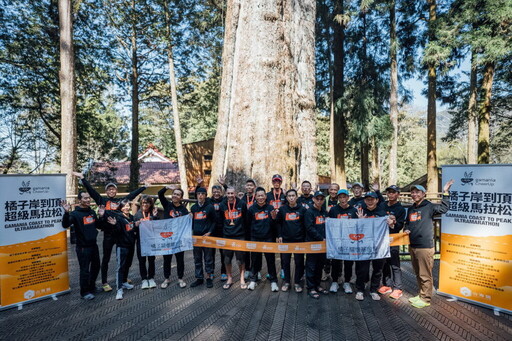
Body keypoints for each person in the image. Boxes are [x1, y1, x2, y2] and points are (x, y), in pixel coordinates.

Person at [72, 172, 149, 292]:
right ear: (106, 191)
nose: (111, 191)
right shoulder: (102, 200)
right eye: (109, 189)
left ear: (116, 191)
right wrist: (83, 179)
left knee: (125, 257)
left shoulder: (120, 201)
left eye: (113, 189)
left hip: (120, 234)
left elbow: (132, 195)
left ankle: (123, 278)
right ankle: (104, 281)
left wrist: (144, 187)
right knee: (106, 259)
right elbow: (91, 191)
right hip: (108, 234)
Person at [405, 181, 453, 308]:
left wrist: (445, 192)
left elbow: (443, 208)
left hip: (425, 246)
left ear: (423, 194)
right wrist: (406, 229)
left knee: (425, 274)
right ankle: (421, 294)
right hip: (413, 245)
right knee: (417, 272)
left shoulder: (429, 206)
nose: (414, 194)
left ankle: (426, 298)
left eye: (417, 192)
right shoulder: (411, 208)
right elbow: (407, 223)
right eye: (413, 192)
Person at [354, 192, 395, 301]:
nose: (370, 201)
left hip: (379, 246)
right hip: (364, 246)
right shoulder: (360, 212)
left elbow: (391, 227)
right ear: (364, 201)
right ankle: (360, 290)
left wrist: (391, 223)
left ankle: (373, 290)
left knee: (378, 269)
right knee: (362, 269)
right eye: (367, 199)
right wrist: (359, 222)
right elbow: (354, 230)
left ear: (377, 200)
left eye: (372, 199)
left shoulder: (382, 213)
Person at [61, 192, 101, 300]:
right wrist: (66, 212)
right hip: (83, 247)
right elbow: (65, 225)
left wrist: (101, 216)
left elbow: (98, 225)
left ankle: (92, 287)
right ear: (80, 200)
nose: (88, 200)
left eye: (89, 198)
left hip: (94, 245)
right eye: (85, 198)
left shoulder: (92, 212)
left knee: (96, 266)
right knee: (85, 270)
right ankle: (84, 292)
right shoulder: (75, 214)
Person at [376, 185, 407, 299]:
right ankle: (387, 285)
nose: (391, 194)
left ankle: (398, 288)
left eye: (394, 192)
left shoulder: (400, 209)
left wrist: (393, 223)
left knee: (395, 264)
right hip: (381, 239)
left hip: (393, 239)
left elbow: (400, 225)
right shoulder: (382, 205)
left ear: (398, 194)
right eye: (389, 192)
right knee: (384, 263)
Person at [247, 187, 278, 292]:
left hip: (268, 238)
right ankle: (253, 280)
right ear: (255, 197)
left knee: (271, 260)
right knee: (255, 260)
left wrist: (274, 219)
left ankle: (273, 281)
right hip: (255, 238)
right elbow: (248, 224)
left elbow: (275, 225)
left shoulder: (270, 208)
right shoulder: (251, 209)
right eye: (258, 195)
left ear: (265, 196)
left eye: (262, 195)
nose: (260, 197)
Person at [276, 189, 307, 292]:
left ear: (296, 197)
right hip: (286, 240)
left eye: (293, 195)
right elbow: (278, 223)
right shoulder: (282, 209)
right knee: (285, 262)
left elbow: (305, 225)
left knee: (299, 262)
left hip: (299, 240)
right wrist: (279, 235)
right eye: (289, 196)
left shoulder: (302, 210)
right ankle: (287, 282)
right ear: (287, 198)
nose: (291, 198)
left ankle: (297, 282)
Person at [158, 186, 189, 289]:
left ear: (181, 197)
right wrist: (166, 187)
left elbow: (186, 224)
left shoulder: (183, 210)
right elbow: (160, 194)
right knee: (167, 258)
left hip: (179, 238)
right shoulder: (167, 205)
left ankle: (180, 278)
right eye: (174, 194)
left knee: (180, 259)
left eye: (177, 194)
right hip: (167, 237)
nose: (175, 196)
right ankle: (166, 278)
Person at [327, 189, 358, 294]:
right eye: (340, 197)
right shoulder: (333, 210)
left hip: (349, 240)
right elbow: (330, 225)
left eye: (344, 197)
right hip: (336, 241)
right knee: (335, 262)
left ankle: (347, 282)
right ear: (338, 198)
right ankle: (335, 281)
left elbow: (358, 225)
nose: (342, 199)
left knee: (348, 262)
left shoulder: (354, 210)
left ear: (348, 198)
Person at [104, 202, 136, 300]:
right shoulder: (118, 218)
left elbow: (132, 229)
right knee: (120, 267)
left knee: (128, 264)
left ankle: (124, 282)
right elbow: (116, 233)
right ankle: (119, 289)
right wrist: (114, 225)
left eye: (128, 206)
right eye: (124, 206)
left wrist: (136, 224)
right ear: (121, 208)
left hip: (131, 246)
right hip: (122, 246)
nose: (126, 207)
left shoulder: (132, 217)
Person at [219, 186, 248, 289]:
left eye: (232, 193)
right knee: (227, 259)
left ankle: (242, 279)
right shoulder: (222, 204)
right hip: (227, 236)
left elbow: (246, 219)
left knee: (240, 259)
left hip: (239, 236)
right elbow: (220, 220)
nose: (230, 195)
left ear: (235, 193)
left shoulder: (242, 204)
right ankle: (229, 279)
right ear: (226, 194)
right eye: (228, 193)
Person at [190, 188, 216, 288]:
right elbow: (191, 222)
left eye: (202, 194)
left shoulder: (210, 207)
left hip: (207, 237)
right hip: (196, 237)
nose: (200, 195)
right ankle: (199, 278)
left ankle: (209, 277)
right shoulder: (193, 208)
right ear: (196, 195)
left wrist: (209, 232)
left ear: (205, 195)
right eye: (199, 194)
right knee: (197, 258)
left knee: (208, 258)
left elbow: (214, 221)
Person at [305, 191, 328, 299]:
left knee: (320, 265)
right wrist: (321, 238)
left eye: (321, 199)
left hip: (323, 245)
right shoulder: (309, 212)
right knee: (311, 266)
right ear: (313, 199)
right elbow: (309, 228)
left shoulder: (324, 211)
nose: (319, 201)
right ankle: (311, 288)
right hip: (312, 244)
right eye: (317, 199)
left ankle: (317, 285)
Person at [133, 196, 158, 289]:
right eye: (143, 203)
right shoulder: (137, 214)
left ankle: (151, 277)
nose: (145, 205)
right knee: (142, 261)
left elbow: (158, 226)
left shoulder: (153, 213)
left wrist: (154, 217)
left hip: (151, 240)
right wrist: (135, 225)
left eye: (147, 203)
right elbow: (133, 229)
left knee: (151, 260)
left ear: (150, 204)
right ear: (141, 204)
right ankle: (144, 279)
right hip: (141, 241)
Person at [241, 179, 257, 280]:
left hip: (255, 228)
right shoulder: (242, 198)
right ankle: (247, 269)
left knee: (255, 251)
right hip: (245, 228)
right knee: (246, 250)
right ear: (245, 187)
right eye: (248, 185)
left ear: (254, 187)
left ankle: (256, 270)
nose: (249, 187)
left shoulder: (258, 198)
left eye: (251, 185)